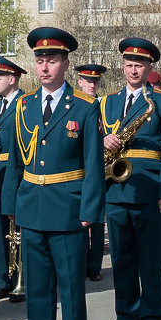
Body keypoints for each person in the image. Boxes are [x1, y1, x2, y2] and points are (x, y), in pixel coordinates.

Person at [2, 28, 105, 320]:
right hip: (31, 206)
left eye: (52, 60)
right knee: (38, 287)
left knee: (71, 288)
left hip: (68, 208)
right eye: (40, 60)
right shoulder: (23, 105)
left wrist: (90, 211)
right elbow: (15, 160)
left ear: (65, 63)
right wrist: (10, 204)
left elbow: (93, 164)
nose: (45, 67)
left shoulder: (86, 107)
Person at [101, 39, 161, 320]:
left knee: (149, 258)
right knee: (121, 257)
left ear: (149, 68)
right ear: (123, 67)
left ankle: (154, 316)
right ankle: (126, 315)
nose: (133, 70)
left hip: (149, 188)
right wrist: (102, 141)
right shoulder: (107, 102)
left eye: (139, 65)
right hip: (116, 188)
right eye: (129, 65)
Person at [0, 55, 26, 302]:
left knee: (18, 230)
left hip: (16, 173)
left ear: (12, 79)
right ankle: (2, 280)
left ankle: (21, 281)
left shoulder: (25, 104)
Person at [73, 63, 107, 282]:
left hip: (100, 168)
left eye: (95, 81)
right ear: (79, 82)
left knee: (96, 222)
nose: (92, 84)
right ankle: (80, 262)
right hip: (77, 170)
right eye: (87, 80)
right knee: (78, 222)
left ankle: (94, 267)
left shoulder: (104, 104)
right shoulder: (74, 104)